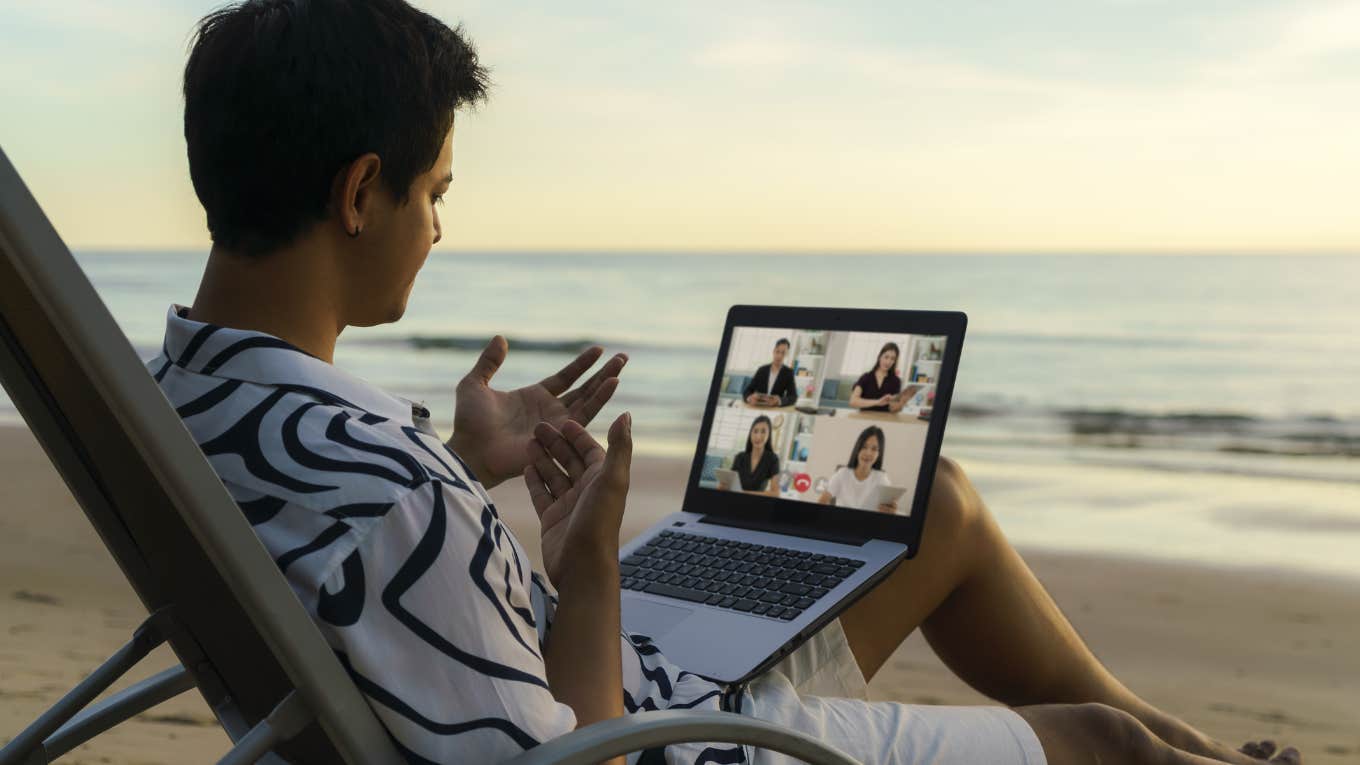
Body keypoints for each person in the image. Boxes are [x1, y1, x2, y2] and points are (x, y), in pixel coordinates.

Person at [148, 2, 1300, 764]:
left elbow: (368, 572)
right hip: (647, 733)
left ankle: (1193, 750)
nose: (438, 228)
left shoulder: (190, 395)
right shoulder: (389, 490)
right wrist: (586, 570)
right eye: (433, 192)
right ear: (360, 193)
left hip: (605, 677)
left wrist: (466, 469)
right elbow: (580, 752)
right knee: (1100, 743)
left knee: (929, 503)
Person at [817, 426, 898, 513]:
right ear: (857, 448)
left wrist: (891, 512)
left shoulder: (881, 479)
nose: (868, 453)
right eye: (864, 447)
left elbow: (888, 511)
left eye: (874, 449)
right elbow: (822, 501)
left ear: (879, 454)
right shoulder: (842, 474)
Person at [718, 415, 781, 496]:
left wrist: (744, 493)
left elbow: (776, 493)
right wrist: (722, 486)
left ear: (769, 435)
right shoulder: (740, 457)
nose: (758, 436)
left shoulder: (773, 459)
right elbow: (729, 484)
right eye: (755, 431)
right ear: (750, 434)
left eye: (763, 431)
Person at [849, 341, 905, 413]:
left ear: (895, 361)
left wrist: (897, 403)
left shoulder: (896, 381)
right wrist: (877, 402)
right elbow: (853, 401)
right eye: (886, 357)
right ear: (879, 357)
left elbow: (896, 410)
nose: (888, 362)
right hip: (864, 420)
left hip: (886, 421)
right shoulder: (866, 377)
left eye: (892, 359)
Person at [742, 337, 797, 407]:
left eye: (783, 353)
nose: (779, 356)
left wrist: (779, 401)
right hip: (758, 407)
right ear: (773, 351)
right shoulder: (761, 370)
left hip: (775, 408)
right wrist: (750, 398)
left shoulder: (788, 373)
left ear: (786, 354)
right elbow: (748, 390)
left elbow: (793, 396)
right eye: (777, 351)